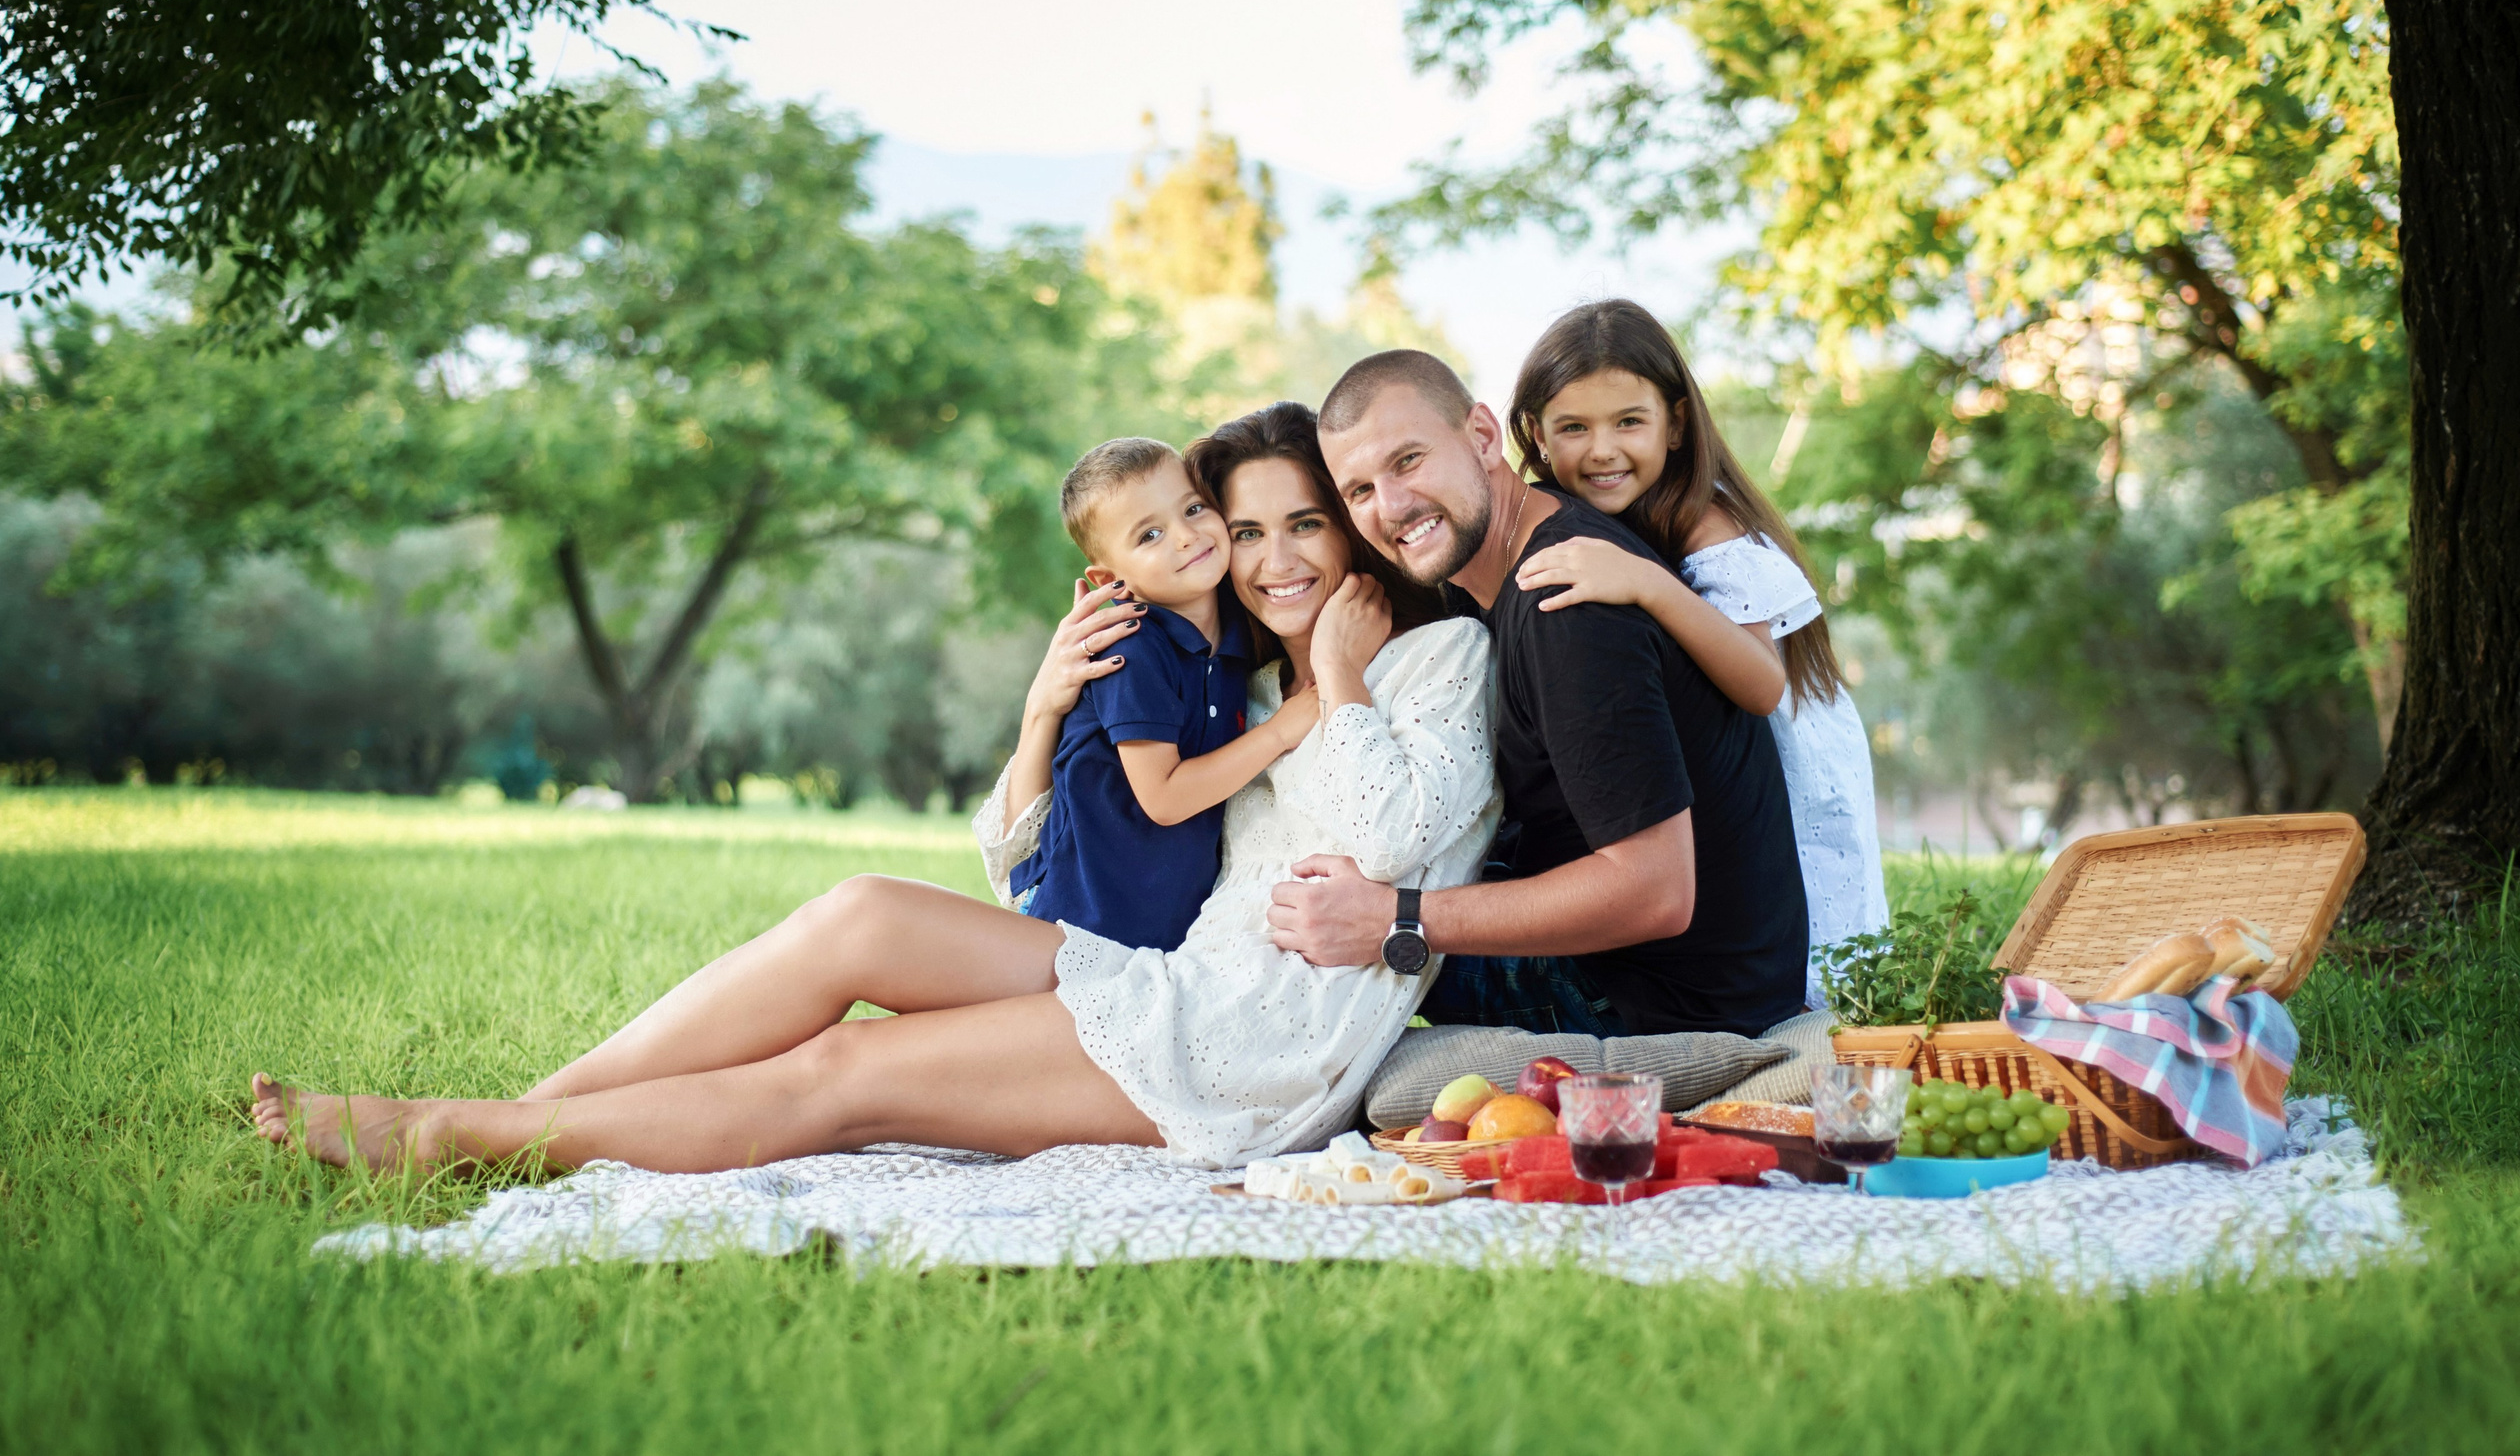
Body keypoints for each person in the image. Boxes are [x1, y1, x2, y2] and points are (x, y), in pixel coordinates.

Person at [249, 402, 1498, 1174]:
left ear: (1352, 530)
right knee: (859, 912)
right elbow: (1030, 855)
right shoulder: (1237, 676)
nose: (1271, 558)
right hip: (1162, 972)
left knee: (845, 1074)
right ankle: (514, 1112)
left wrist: (1339, 680)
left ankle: (451, 1137)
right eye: (1246, 527)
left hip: (1255, 1042)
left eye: (1306, 524)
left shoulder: (1434, 656)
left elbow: (1394, 839)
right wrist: (1041, 712)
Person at [1285, 349, 1810, 1039]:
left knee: (1297, 965)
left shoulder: (1565, 604)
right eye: (1359, 491)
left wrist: (1396, 917)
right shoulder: (1478, 567)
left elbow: (1657, 891)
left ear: (1482, 436)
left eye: (1408, 460)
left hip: (1662, 999)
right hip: (1641, 966)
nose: (1391, 506)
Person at [1504, 302, 1888, 999]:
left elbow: (1763, 684)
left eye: (1629, 422)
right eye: (1574, 428)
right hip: (1729, 761)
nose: (1603, 450)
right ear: (1536, 434)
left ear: (1676, 423)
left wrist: (1649, 584)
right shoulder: (1575, 521)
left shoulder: (1704, 522)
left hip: (1792, 753)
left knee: (1820, 935)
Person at [1003, 436, 1320, 951]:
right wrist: (1281, 731)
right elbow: (1165, 798)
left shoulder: (1236, 635)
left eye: (1193, 509)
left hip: (1163, 930)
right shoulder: (1131, 648)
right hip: (1077, 919)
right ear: (1111, 578)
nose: (1186, 536)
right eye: (1150, 535)